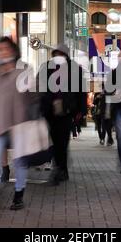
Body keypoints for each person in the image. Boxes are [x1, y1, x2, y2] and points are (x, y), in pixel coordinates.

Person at [0, 37, 34, 210]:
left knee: (19, 162)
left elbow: (34, 97)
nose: (0, 52)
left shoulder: (23, 72)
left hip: (19, 125)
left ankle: (18, 195)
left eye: (3, 49)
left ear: (12, 52)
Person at [40, 44, 87, 185]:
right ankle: (61, 168)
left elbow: (81, 91)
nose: (58, 56)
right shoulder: (46, 67)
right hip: (50, 110)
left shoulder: (75, 69)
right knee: (55, 141)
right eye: (56, 54)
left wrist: (81, 110)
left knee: (63, 141)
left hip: (66, 110)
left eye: (61, 54)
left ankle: (60, 169)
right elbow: (39, 86)